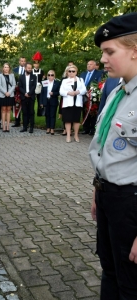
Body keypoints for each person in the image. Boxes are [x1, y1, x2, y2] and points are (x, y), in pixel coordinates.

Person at [89, 12, 137, 300]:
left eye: (110, 51)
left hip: (131, 204)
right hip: (109, 197)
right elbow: (105, 147)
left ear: (135, 50)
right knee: (110, 271)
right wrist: (98, 189)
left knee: (131, 284)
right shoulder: (116, 92)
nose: (103, 59)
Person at [59, 65, 86, 142]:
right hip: (67, 102)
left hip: (77, 103)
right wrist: (68, 93)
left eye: (73, 71)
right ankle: (68, 136)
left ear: (76, 72)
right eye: (69, 71)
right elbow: (61, 91)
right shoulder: (64, 81)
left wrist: (78, 92)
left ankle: (76, 135)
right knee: (67, 120)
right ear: (67, 72)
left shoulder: (80, 80)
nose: (71, 73)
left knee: (76, 120)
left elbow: (84, 90)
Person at [80, 60, 102, 135]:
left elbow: (99, 84)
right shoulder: (83, 74)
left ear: (95, 65)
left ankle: (92, 129)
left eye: (91, 64)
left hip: (93, 96)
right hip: (83, 96)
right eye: (88, 64)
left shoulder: (99, 73)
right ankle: (85, 128)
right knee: (84, 112)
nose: (88, 65)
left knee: (93, 113)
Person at [40, 70, 61, 135]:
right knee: (47, 115)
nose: (50, 76)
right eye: (49, 75)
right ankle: (48, 127)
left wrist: (53, 93)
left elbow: (59, 92)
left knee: (52, 115)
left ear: (54, 76)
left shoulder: (57, 83)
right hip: (46, 100)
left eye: (52, 75)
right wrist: (41, 102)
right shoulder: (45, 82)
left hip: (53, 100)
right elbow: (42, 93)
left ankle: (52, 128)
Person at [18, 62, 37, 133]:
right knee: (24, 112)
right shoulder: (21, 77)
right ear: (25, 68)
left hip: (31, 97)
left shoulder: (34, 77)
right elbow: (20, 86)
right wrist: (25, 93)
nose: (30, 69)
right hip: (23, 97)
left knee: (31, 112)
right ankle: (24, 127)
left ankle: (31, 127)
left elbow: (34, 86)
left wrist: (29, 93)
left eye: (30, 68)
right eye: (28, 68)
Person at [0, 63, 16, 132]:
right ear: (3, 68)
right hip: (2, 95)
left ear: (9, 68)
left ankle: (8, 126)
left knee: (8, 110)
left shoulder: (12, 75)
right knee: (3, 110)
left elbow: (14, 85)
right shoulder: (0, 76)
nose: (6, 68)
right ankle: (3, 126)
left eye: (7, 67)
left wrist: (9, 92)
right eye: (5, 67)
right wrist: (5, 92)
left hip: (10, 95)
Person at [12, 57, 26, 127]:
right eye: (21, 61)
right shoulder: (14, 70)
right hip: (16, 91)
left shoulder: (27, 70)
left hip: (24, 91)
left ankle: (25, 122)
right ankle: (17, 122)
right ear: (19, 62)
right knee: (16, 106)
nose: (23, 62)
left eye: (24, 61)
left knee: (24, 106)